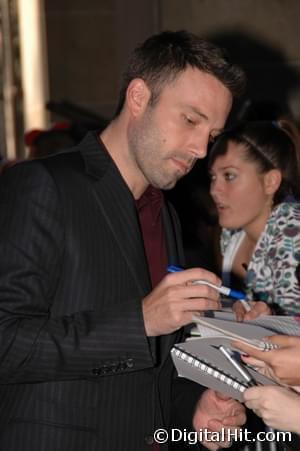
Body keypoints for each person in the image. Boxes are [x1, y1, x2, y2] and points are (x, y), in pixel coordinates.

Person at [0, 31, 246, 451]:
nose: (202, 149)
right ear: (137, 97)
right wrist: (140, 321)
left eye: (213, 133)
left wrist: (194, 408)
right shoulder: (43, 186)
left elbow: (152, 367)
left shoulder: (163, 212)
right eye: (190, 119)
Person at [209, 121, 300, 320]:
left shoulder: (293, 233)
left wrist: (270, 316)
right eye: (213, 177)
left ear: (270, 182)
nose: (214, 190)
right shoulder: (232, 234)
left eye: (229, 176)